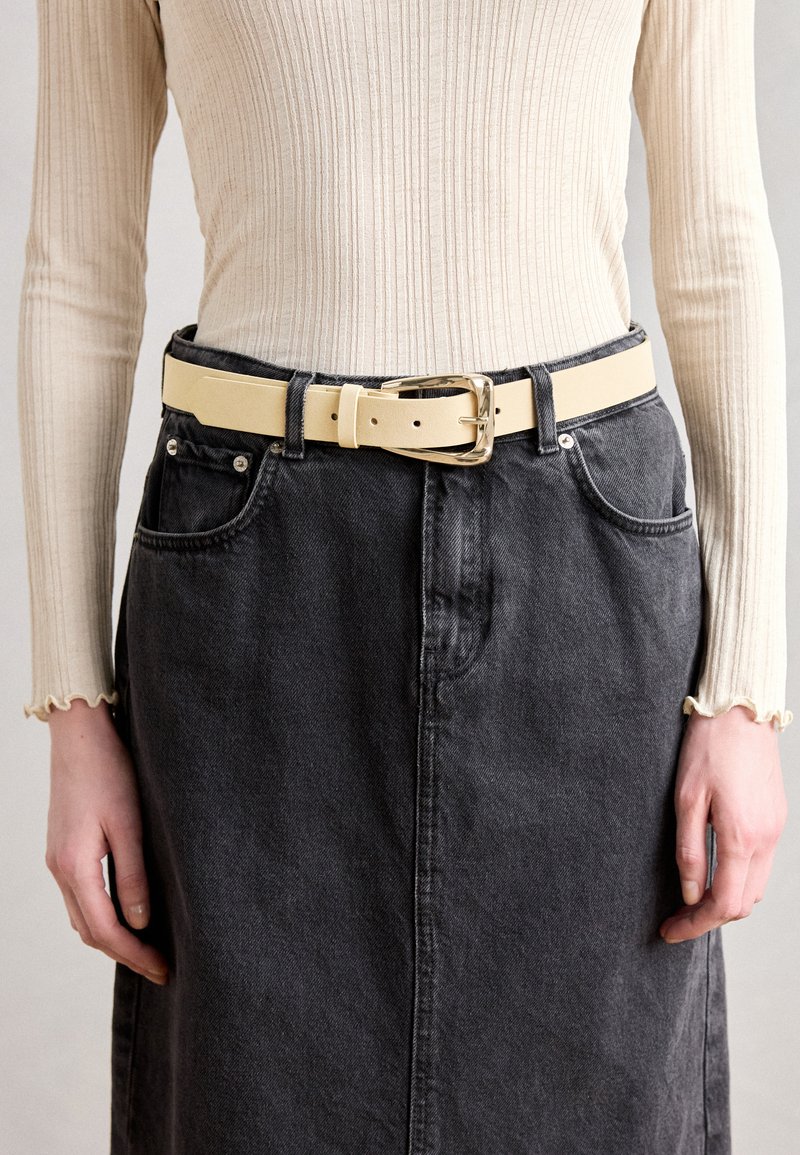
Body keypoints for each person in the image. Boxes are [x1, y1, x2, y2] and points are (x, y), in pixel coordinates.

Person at [17, 1, 791, 1152]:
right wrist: (75, 705)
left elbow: (718, 250)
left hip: (582, 572)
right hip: (255, 588)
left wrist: (742, 691)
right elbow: (76, 272)